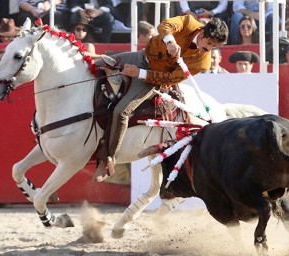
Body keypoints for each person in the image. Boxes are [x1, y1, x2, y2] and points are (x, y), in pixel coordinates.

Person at [93, 15, 229, 182]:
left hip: (152, 80)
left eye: (214, 47)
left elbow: (169, 78)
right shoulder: (189, 23)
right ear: (202, 33)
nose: (208, 50)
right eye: (209, 44)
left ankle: (108, 160)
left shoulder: (203, 63)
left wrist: (139, 73)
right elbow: (165, 25)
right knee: (94, 67)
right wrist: (171, 42)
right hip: (140, 56)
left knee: (122, 112)